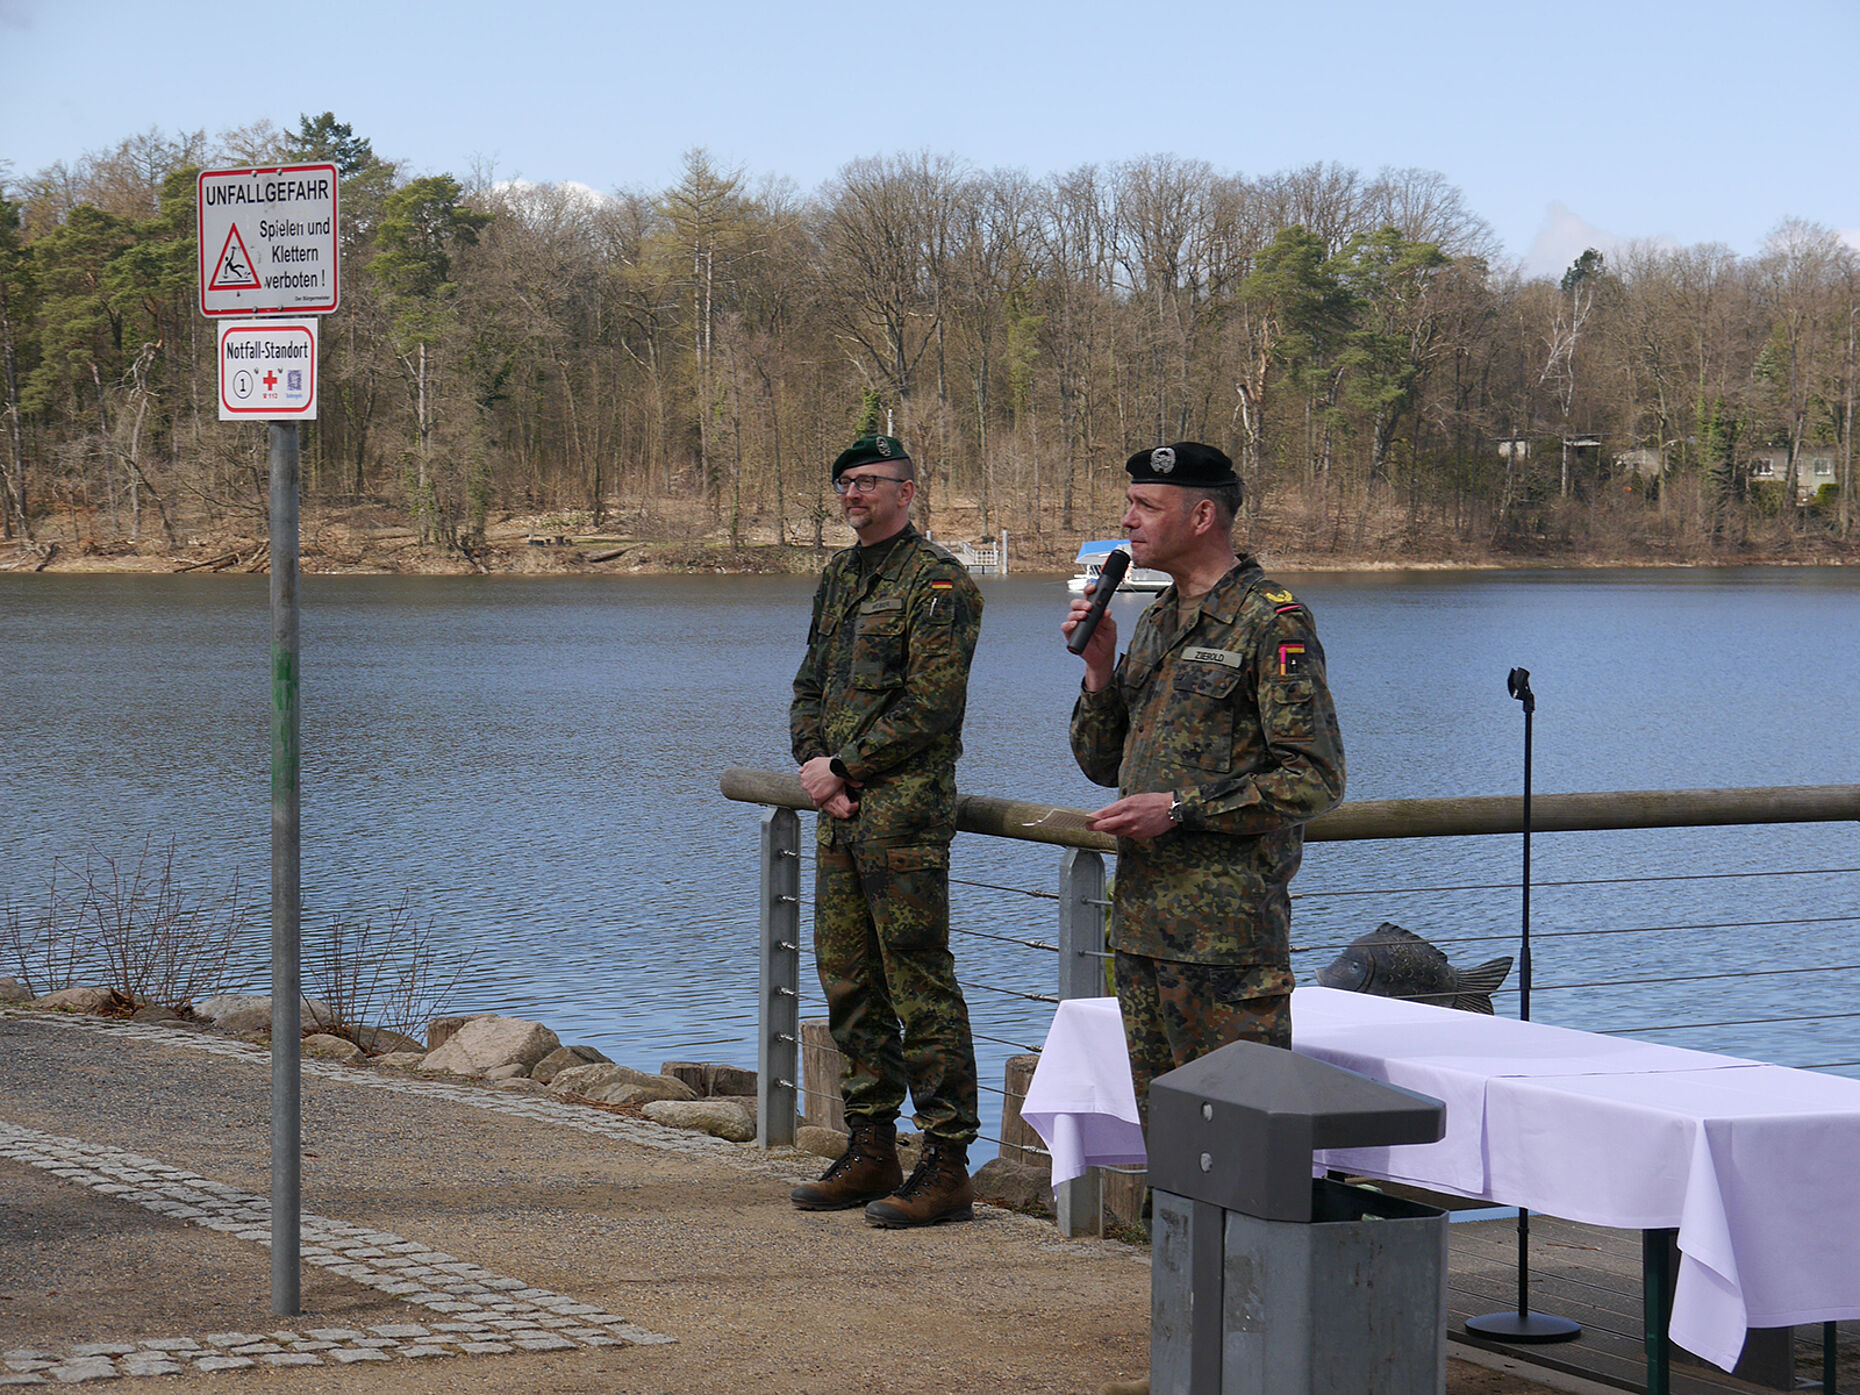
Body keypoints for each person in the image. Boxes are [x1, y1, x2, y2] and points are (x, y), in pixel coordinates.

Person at [1063, 441, 1345, 1123]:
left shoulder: (1271, 620)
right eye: (1130, 503)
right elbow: (1104, 764)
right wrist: (1099, 672)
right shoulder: (1158, 618)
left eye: (1146, 506)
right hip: (1140, 930)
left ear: (1202, 517)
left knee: (1241, 1142)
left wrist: (1182, 809)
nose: (1128, 520)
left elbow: (1314, 778)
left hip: (1226, 946)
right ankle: (1171, 1235)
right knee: (1169, 1141)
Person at [788, 433, 986, 1228]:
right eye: (845, 481)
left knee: (919, 986)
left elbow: (932, 705)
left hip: (902, 817)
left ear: (909, 492)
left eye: (870, 481)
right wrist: (813, 762)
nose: (853, 493)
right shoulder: (839, 576)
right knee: (849, 983)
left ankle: (946, 1163)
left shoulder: (939, 582)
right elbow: (808, 685)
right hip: (841, 818)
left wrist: (848, 767)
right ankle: (871, 1147)